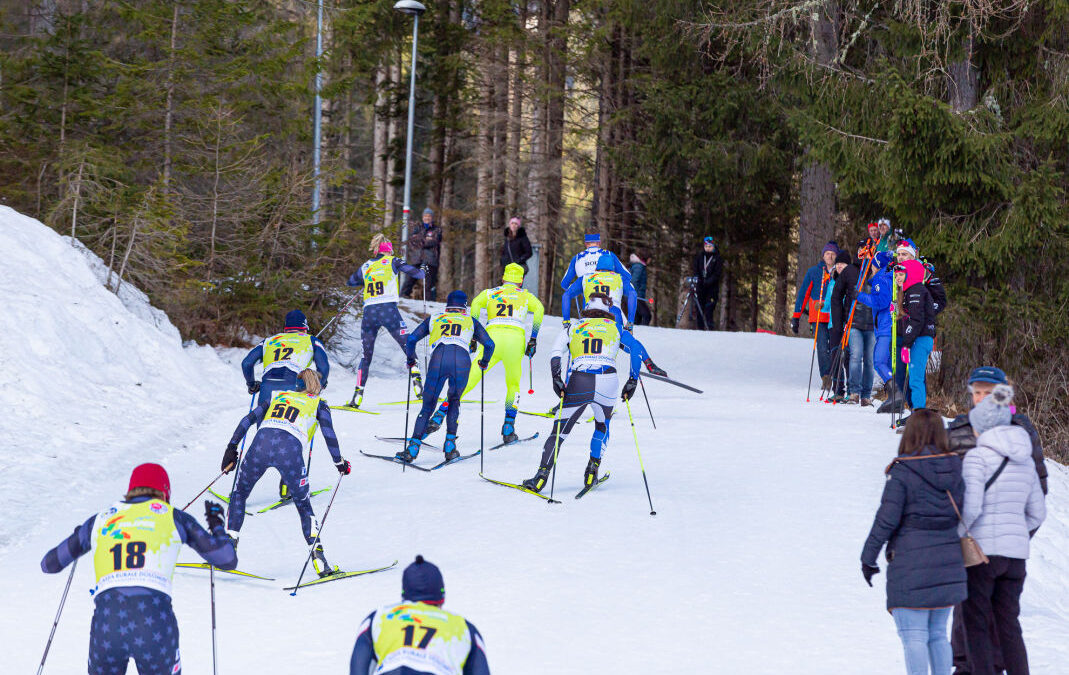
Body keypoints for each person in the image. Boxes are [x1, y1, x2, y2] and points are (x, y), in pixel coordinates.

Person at [41, 463, 236, 675]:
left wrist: (81, 537)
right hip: (154, 623)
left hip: (108, 625)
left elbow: (49, 564)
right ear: (164, 494)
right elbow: (226, 559)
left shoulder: (100, 520)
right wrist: (216, 523)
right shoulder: (173, 516)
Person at [945, 366, 1049, 674]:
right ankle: (965, 666)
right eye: (976, 393)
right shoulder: (959, 429)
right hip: (1004, 549)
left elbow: (1038, 488)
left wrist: (965, 532)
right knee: (974, 617)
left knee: (984, 620)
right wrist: (1015, 534)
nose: (981, 399)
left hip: (984, 542)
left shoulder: (1021, 432)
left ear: (1002, 396)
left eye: (988, 394)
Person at [860, 410, 967, 675]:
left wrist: (868, 557)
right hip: (948, 564)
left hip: (911, 564)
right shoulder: (955, 468)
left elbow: (885, 520)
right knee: (938, 635)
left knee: (914, 636)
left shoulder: (903, 471)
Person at [221, 369, 350, 577]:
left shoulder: (278, 397)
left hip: (260, 446)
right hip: (289, 452)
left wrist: (231, 448)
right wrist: (340, 463)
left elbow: (248, 419)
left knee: (239, 494)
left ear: (296, 385)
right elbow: (329, 435)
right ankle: (320, 562)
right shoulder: (319, 404)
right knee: (303, 505)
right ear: (318, 386)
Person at [521, 293, 650, 493]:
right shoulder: (615, 329)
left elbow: (555, 352)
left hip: (581, 380)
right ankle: (592, 471)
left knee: (559, 431)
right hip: (609, 380)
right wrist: (633, 380)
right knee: (602, 425)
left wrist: (556, 378)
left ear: (586, 309)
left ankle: (540, 477)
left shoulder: (573, 327)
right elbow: (636, 350)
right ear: (608, 311)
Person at [420, 266, 542, 447]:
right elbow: (539, 309)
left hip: (492, 336)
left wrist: (474, 335)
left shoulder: (491, 293)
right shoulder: (525, 295)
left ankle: (440, 413)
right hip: (515, 339)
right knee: (513, 383)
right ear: (521, 280)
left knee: (469, 379)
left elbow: (476, 303)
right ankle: (508, 428)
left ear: (503, 279)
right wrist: (533, 338)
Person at [349, 555, 490, 675]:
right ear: (442, 597)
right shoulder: (464, 628)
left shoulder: (380, 617)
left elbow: (359, 666)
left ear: (404, 594)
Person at [398, 290, 495, 462]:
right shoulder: (470, 321)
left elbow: (411, 340)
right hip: (462, 361)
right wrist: (484, 362)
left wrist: (411, 359)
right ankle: (450, 447)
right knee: (454, 402)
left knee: (427, 407)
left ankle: (412, 449)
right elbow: (489, 344)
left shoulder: (435, 318)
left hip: (438, 359)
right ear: (464, 307)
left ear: (447, 306)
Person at [346, 234, 426, 408]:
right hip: (388, 311)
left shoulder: (367, 265)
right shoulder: (393, 261)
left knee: (365, 356)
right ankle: (419, 387)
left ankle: (357, 396)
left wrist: (365, 282)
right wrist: (424, 270)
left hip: (369, 313)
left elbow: (351, 282)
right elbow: (417, 274)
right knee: (408, 345)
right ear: (389, 251)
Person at [242, 309, 330, 409]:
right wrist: (319, 385)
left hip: (267, 390)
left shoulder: (268, 341)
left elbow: (247, 363)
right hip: (294, 388)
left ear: (285, 329)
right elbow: (323, 367)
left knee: (264, 424)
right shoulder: (311, 340)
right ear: (304, 329)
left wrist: (252, 385)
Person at [829, 241, 877, 404]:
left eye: (868, 251)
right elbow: (836, 296)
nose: (864, 254)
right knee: (855, 356)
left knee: (869, 360)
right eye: (861, 250)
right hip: (853, 322)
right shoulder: (850, 271)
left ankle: (866, 395)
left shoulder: (876, 270)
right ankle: (854, 392)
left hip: (872, 324)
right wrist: (838, 322)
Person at [895, 259, 937, 421]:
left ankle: (919, 414)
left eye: (902, 274)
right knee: (913, 376)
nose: (899, 277)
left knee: (916, 377)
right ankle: (916, 412)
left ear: (911, 274)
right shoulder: (911, 291)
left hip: (921, 338)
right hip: (919, 338)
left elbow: (917, 319)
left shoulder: (916, 291)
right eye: (897, 274)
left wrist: (906, 343)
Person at [792, 242, 838, 388]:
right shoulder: (814, 272)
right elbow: (803, 294)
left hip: (835, 316)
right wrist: (796, 316)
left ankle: (836, 375)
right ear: (823, 255)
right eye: (827, 253)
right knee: (822, 346)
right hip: (818, 316)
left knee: (835, 347)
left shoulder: (840, 271)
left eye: (832, 254)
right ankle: (826, 377)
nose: (830, 256)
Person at [857, 251, 896, 408]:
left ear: (877, 264)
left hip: (886, 327)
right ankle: (893, 397)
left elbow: (880, 302)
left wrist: (859, 296)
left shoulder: (880, 277)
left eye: (873, 264)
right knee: (886, 362)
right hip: (889, 326)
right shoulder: (890, 275)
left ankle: (897, 391)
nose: (871, 267)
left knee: (879, 361)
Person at [562, 253, 638, 328]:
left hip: (589, 316)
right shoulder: (620, 278)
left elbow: (566, 295)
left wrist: (566, 322)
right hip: (613, 317)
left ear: (597, 267)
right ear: (613, 268)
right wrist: (630, 322)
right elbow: (633, 294)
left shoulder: (585, 277)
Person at [559, 232, 632, 302]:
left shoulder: (577, 258)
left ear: (585, 244)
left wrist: (576, 288)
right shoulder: (609, 254)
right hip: (609, 299)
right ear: (599, 243)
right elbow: (627, 276)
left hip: (589, 300)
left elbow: (564, 284)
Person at [402, 208, 443, 301]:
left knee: (429, 283)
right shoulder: (417, 228)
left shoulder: (437, 229)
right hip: (417, 258)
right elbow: (412, 241)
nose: (427, 218)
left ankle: (429, 302)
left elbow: (434, 241)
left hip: (430, 259)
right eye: (425, 216)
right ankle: (402, 298)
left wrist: (421, 241)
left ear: (432, 217)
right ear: (422, 217)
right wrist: (424, 240)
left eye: (429, 216)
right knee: (409, 279)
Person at [691, 236, 722, 330]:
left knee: (709, 310)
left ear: (713, 246)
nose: (708, 248)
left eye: (710, 246)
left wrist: (709, 281)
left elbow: (718, 273)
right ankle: (700, 330)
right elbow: (696, 269)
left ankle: (710, 330)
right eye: (706, 246)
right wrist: (698, 278)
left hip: (712, 288)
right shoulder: (700, 256)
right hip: (701, 288)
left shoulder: (717, 258)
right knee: (699, 309)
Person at [629, 250, 653, 326]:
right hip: (636, 296)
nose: (650, 260)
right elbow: (634, 281)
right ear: (646, 258)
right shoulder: (639, 267)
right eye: (650, 258)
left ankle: (635, 334)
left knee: (637, 318)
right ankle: (644, 333)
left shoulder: (639, 266)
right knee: (647, 315)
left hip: (637, 296)